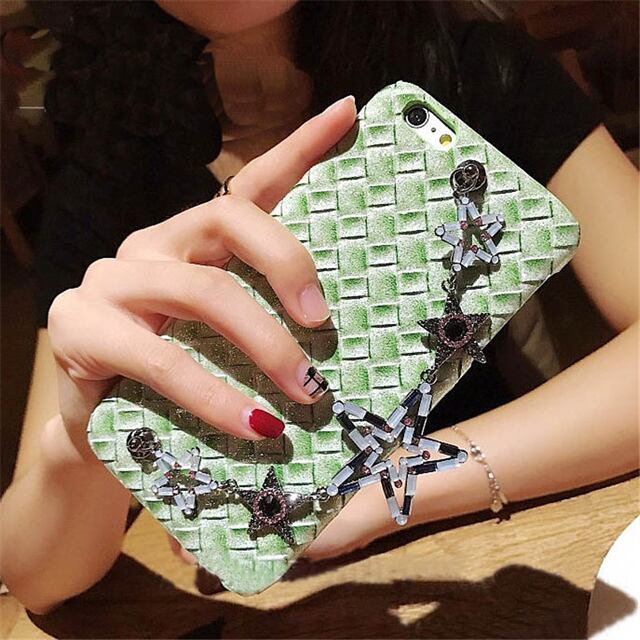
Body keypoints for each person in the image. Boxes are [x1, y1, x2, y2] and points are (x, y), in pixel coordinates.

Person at [1, 0, 637, 614]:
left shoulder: (477, 68)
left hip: (523, 551)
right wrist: (77, 442)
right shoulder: (110, 172)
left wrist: (396, 486)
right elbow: (37, 580)